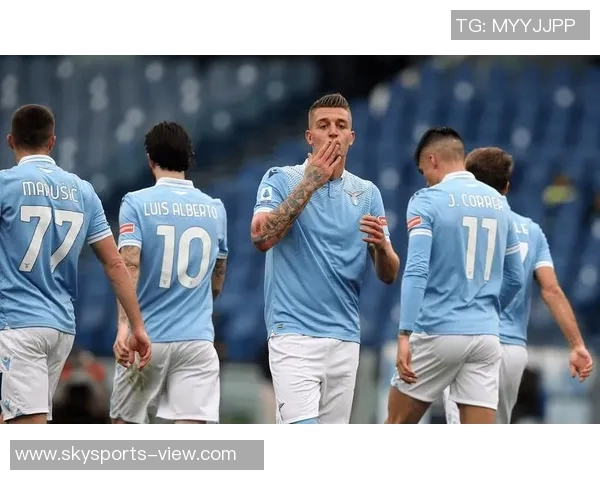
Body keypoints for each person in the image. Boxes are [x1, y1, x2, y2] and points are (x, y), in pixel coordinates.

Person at [250, 93, 400, 424]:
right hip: (294, 334)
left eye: (341, 125)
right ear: (310, 136)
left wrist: (381, 248)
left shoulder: (367, 193)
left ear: (351, 137)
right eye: (324, 125)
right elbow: (261, 237)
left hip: (345, 338)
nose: (333, 131)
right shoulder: (281, 178)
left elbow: (389, 273)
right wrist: (310, 183)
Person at [0, 104, 151, 425]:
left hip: (17, 324)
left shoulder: (5, 184)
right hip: (60, 328)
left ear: (10, 140)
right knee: (13, 417)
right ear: (52, 141)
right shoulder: (83, 191)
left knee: (25, 432)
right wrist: (137, 326)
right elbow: (115, 263)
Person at [442, 147, 593, 424]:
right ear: (507, 187)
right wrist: (577, 344)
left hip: (469, 340)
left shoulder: (457, 224)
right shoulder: (531, 231)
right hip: (512, 352)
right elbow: (551, 290)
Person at [386, 127, 525, 425]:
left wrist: (405, 333)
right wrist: (486, 310)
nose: (426, 179)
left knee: (396, 424)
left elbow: (417, 269)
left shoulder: (427, 200)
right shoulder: (499, 203)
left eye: (424, 171)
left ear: (433, 160)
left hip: (439, 330)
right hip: (486, 337)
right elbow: (516, 277)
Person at [109, 121, 228, 424]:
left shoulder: (136, 203)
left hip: (148, 339)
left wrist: (124, 327)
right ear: (189, 157)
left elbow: (129, 266)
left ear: (150, 159)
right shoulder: (215, 209)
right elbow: (217, 281)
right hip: (197, 342)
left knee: (124, 432)